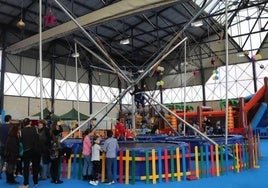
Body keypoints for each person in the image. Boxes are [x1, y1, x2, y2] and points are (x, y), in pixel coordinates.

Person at [19, 118, 40, 188]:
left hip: (26, 150)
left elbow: (20, 141)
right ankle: (36, 182)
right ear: (30, 122)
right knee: (35, 167)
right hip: (36, 150)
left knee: (26, 168)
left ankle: (26, 184)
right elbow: (37, 139)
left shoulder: (21, 131)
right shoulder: (35, 129)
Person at [0, 115, 13, 180]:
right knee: (9, 161)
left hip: (1, 145)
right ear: (10, 119)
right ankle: (8, 176)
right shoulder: (11, 127)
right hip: (9, 146)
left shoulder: (1, 126)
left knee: (2, 160)